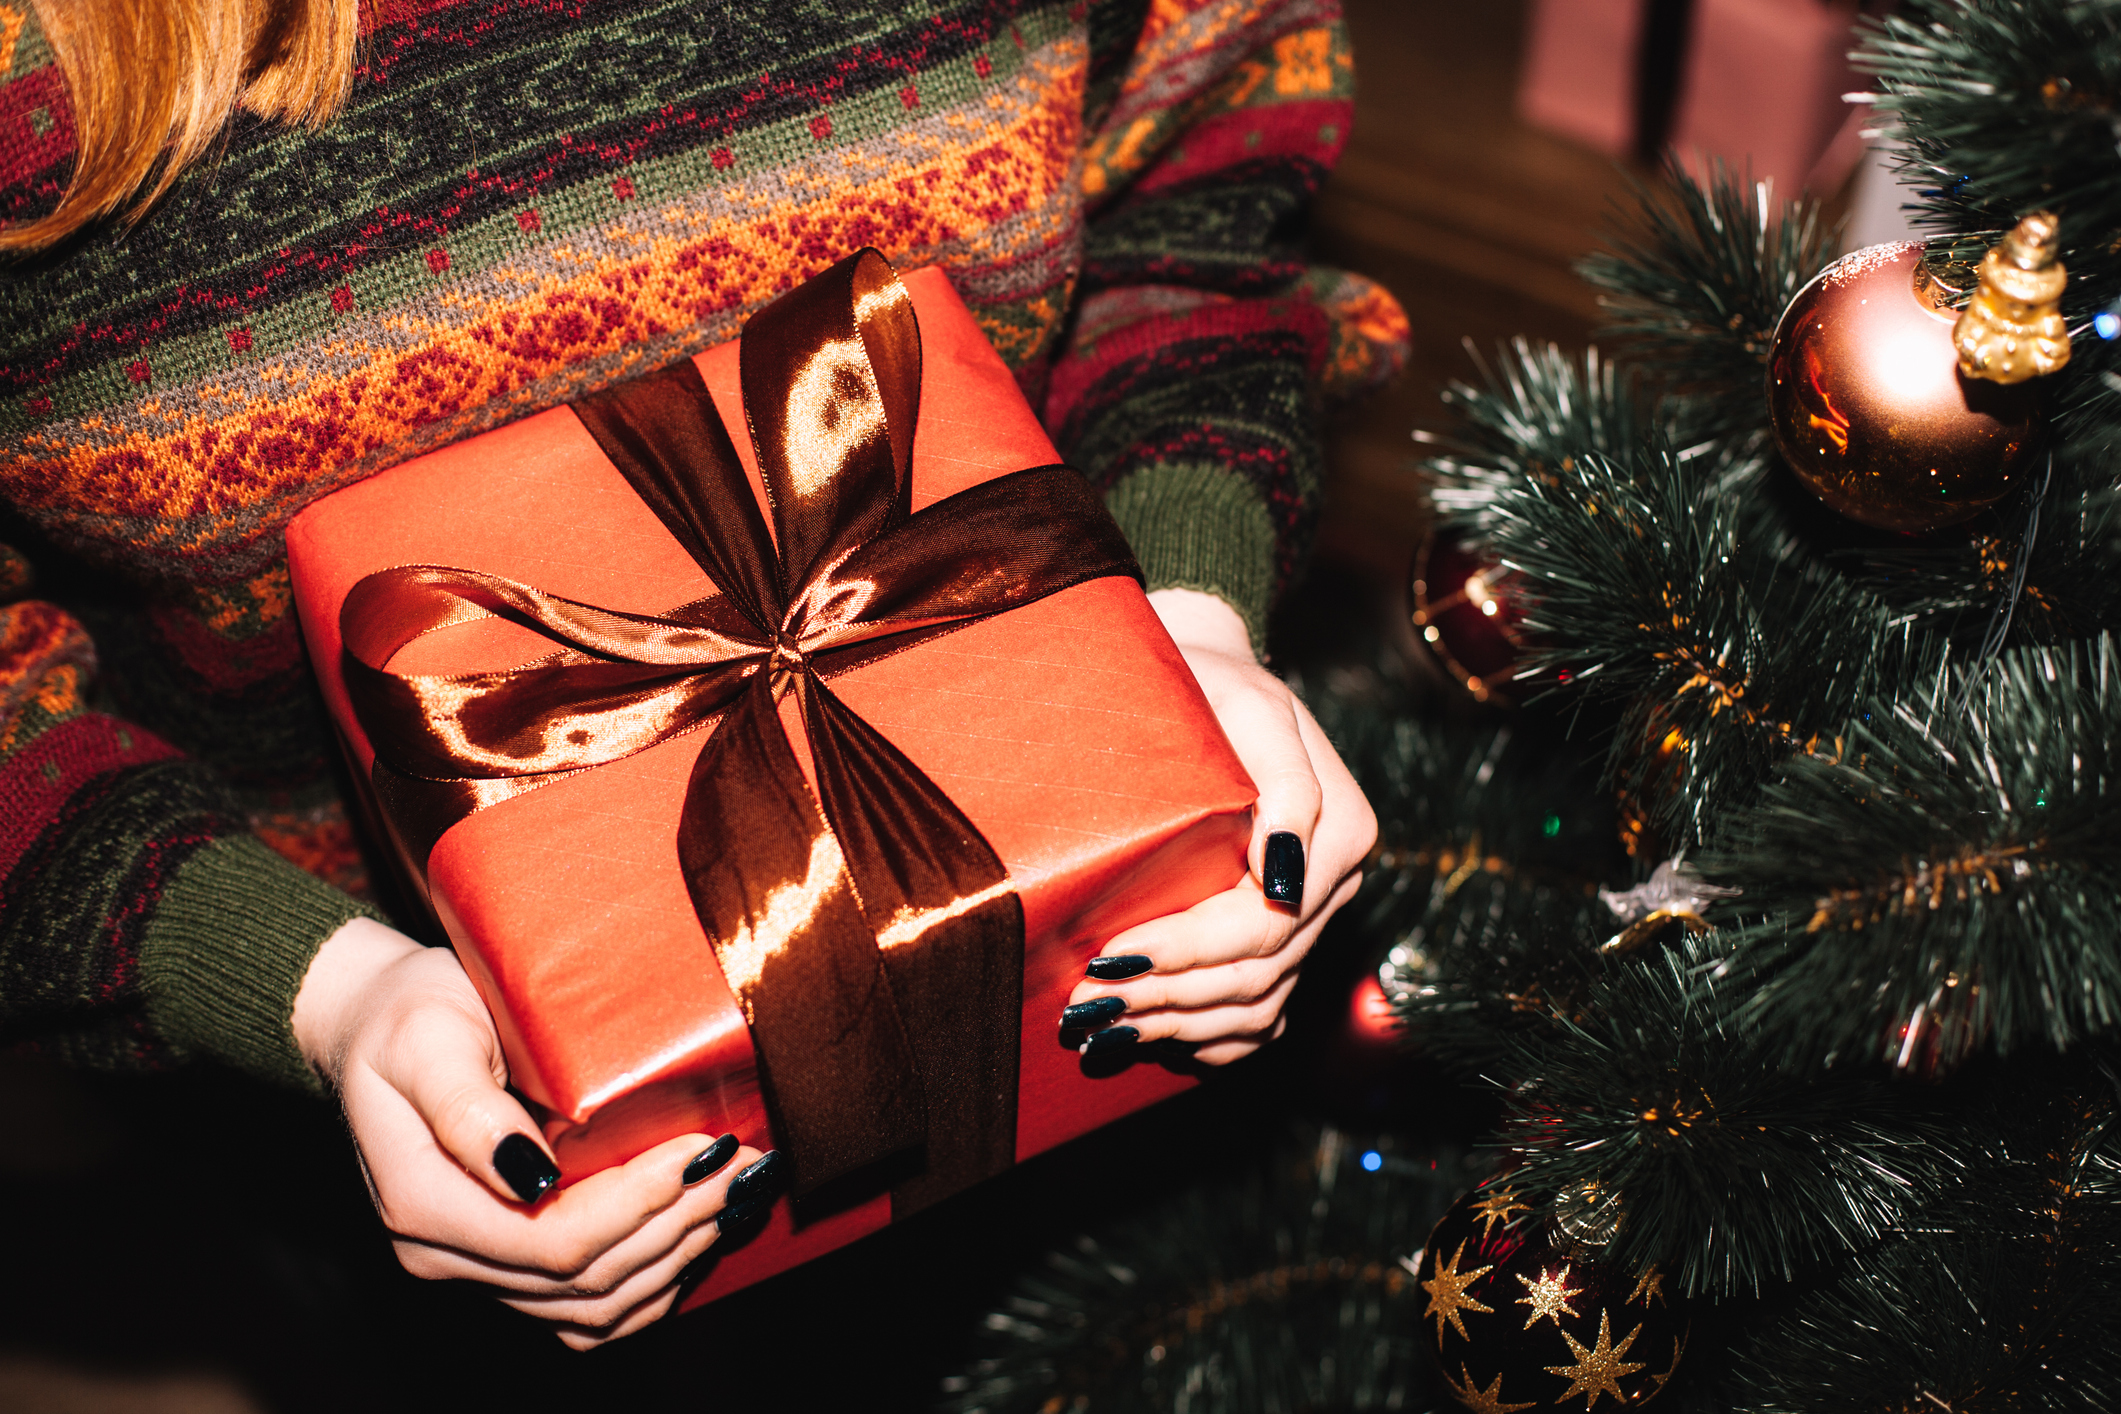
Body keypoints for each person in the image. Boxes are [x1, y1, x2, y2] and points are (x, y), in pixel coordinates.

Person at [0, 0, 1400, 1349]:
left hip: (1102, 981)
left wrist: (1194, 619)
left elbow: (1191, 207)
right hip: (392, 1123)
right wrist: (314, 989)